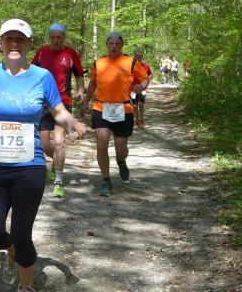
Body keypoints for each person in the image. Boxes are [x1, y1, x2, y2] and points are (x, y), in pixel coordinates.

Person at [0, 19, 86, 292]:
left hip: (29, 166)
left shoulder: (42, 76)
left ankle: (26, 286)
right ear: (1, 43)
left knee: (21, 231)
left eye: (20, 39)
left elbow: (58, 111)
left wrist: (73, 122)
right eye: (9, 38)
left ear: (30, 44)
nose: (14, 43)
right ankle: (12, 252)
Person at [83, 32, 149, 197]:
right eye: (111, 43)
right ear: (107, 45)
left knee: (121, 148)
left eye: (117, 44)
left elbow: (145, 78)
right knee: (101, 144)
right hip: (101, 108)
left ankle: (121, 161)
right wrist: (86, 100)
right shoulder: (98, 63)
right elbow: (93, 83)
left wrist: (141, 86)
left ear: (122, 45)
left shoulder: (131, 62)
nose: (114, 46)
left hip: (123, 109)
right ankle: (106, 181)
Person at [31, 22, 85, 198]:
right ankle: (56, 161)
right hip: (43, 104)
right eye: (53, 37)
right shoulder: (41, 53)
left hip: (63, 102)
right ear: (49, 37)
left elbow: (79, 75)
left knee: (60, 141)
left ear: (63, 37)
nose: (56, 40)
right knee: (45, 144)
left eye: (59, 37)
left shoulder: (70, 54)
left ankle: (59, 182)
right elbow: (31, 74)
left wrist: (80, 91)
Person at [130, 48, 153, 128]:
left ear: (142, 57)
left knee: (141, 104)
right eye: (137, 56)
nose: (138, 57)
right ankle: (137, 120)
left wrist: (147, 80)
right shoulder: (131, 66)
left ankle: (141, 119)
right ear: (134, 56)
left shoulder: (145, 66)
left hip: (142, 88)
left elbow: (150, 74)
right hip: (133, 88)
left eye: (140, 56)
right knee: (134, 105)